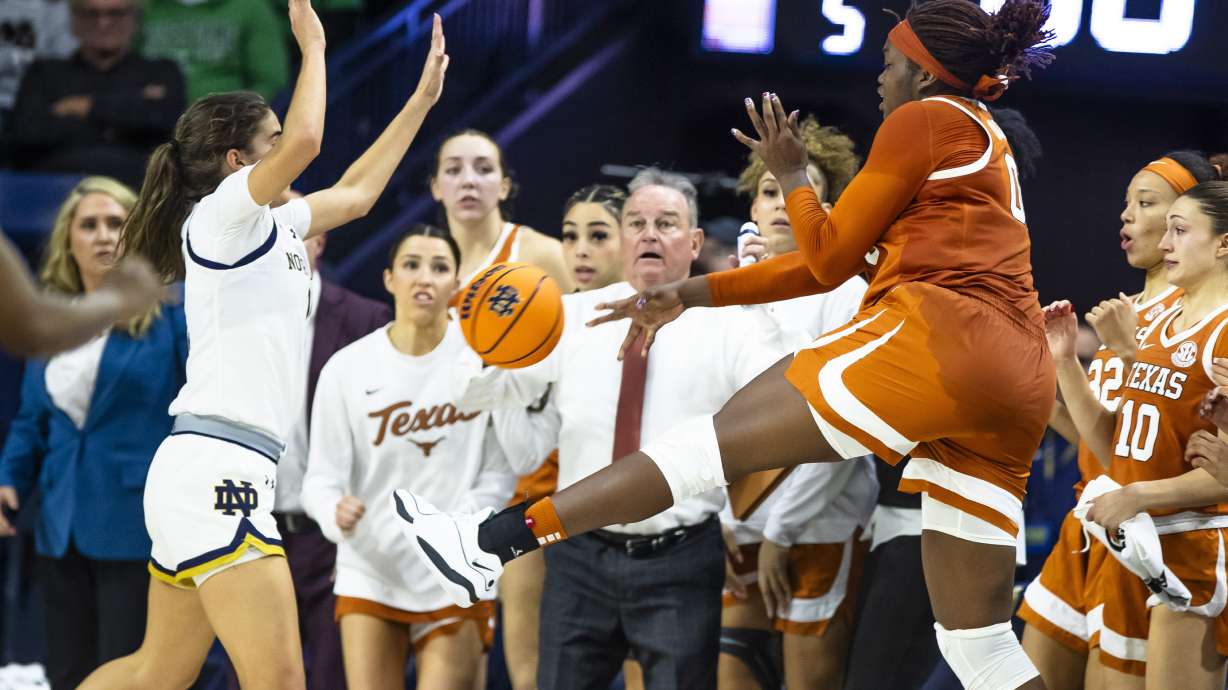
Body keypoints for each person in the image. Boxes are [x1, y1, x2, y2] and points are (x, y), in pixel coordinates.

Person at [397, 3, 1059, 689]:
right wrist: (691, 294)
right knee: (979, 646)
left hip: (947, 344)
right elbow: (814, 265)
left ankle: (489, 543)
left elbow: (827, 261)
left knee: (700, 450)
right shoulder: (984, 141)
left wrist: (794, 172)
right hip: (1018, 376)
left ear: (923, 75)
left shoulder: (923, 120)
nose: (881, 78)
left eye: (891, 63)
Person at [78, 5, 448, 688]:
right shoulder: (221, 217)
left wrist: (421, 102)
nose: (290, 148)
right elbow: (308, 140)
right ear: (236, 161)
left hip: (208, 469)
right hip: (222, 471)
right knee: (276, 680)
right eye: (271, 140)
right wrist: (313, 46)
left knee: (156, 671)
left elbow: (361, 192)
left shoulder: (272, 228)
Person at [439, 168, 782, 690]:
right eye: (636, 223)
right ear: (622, 240)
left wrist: (760, 298)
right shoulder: (569, 315)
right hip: (579, 553)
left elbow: (784, 399)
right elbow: (488, 392)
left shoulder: (731, 322)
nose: (648, 233)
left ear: (693, 243)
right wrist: (481, 347)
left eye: (665, 223)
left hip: (681, 555)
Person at [1018, 152, 1218, 687]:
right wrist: (1037, 391)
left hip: (1157, 534)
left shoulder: (1195, 322)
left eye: (1146, 204)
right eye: (1126, 203)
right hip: (1093, 522)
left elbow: (1179, 455)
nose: (1126, 217)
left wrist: (1131, 358)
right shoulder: (1126, 310)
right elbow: (1112, 444)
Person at [301, 224, 515, 689]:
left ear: (456, 284)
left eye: (440, 268)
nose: (425, 277)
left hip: (456, 567)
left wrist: (457, 527)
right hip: (370, 566)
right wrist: (332, 510)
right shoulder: (348, 368)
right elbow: (320, 480)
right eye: (412, 265)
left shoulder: (482, 361)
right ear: (389, 279)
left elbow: (499, 474)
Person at [0, 177, 185, 690]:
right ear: (68, 239)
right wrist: (7, 477)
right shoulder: (51, 318)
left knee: (131, 673)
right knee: (66, 673)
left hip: (138, 523)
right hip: (60, 524)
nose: (104, 235)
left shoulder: (173, 314)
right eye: (89, 225)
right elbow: (32, 419)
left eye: (116, 223)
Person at [718, 115, 875, 690]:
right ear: (752, 208)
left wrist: (781, 530)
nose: (783, 202)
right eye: (769, 191)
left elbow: (831, 422)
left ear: (827, 211)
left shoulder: (850, 294)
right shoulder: (728, 291)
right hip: (740, 525)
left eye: (798, 190)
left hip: (818, 523)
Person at [498, 183, 627, 690]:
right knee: (532, 676)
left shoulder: (662, 316)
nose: (581, 249)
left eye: (598, 235)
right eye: (571, 236)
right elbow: (521, 443)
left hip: (627, 512)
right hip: (535, 507)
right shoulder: (538, 321)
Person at [266, 217, 391, 690]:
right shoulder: (238, 318)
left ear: (319, 240)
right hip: (256, 528)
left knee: (335, 676)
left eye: (294, 230)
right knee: (252, 675)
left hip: (335, 531)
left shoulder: (366, 320)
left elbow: (384, 432)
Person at [8, 0, 185, 188]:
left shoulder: (162, 70)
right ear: (74, 20)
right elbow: (25, 135)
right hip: (53, 191)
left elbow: (168, 123)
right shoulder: (44, 73)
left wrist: (86, 107)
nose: (103, 23)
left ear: (135, 19)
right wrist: (127, 115)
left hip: (144, 191)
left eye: (115, 13)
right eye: (91, 14)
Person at [430, 128, 572, 291]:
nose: (468, 181)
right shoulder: (426, 272)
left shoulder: (546, 254)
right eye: (453, 170)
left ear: (504, 187)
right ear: (436, 188)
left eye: (484, 169)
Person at [141, 0, 289, 102]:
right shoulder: (145, 9)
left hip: (226, 129)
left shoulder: (251, 8)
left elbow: (270, 83)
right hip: (149, 126)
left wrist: (231, 114)